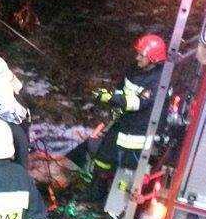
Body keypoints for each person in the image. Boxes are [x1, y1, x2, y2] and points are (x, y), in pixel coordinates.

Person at [67, 33, 167, 201]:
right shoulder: (134, 69)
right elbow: (121, 89)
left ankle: (119, 203)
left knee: (127, 170)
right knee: (103, 156)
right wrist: (113, 103)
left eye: (142, 55)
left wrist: (111, 98)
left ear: (153, 59)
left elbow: (137, 102)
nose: (137, 58)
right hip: (122, 123)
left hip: (138, 134)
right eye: (138, 53)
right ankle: (96, 192)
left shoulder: (158, 81)